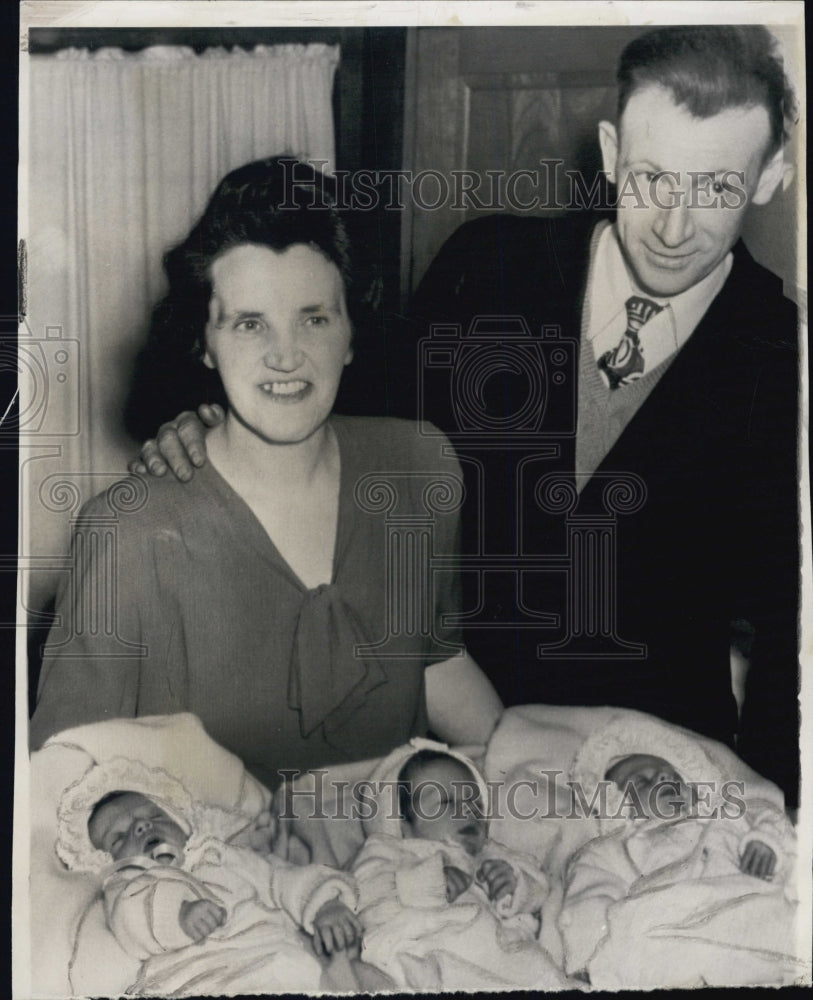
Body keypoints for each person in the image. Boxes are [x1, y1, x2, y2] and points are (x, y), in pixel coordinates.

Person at [127, 27, 800, 805]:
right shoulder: (490, 269)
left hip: (646, 780)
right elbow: (333, 407)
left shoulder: (785, 366)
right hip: (430, 759)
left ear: (768, 176)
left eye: (713, 187)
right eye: (651, 179)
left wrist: (778, 822)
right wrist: (204, 416)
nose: (674, 227)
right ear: (612, 152)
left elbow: (794, 640)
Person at [29, 158, 503, 787]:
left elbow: (435, 662)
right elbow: (66, 787)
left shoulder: (419, 468)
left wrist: (538, 780)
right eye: (250, 324)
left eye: (314, 318)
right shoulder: (127, 535)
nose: (286, 354)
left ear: (351, 331)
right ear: (204, 342)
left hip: (399, 864)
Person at [56, 757, 371, 995]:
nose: (141, 827)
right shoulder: (129, 883)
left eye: (153, 816)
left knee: (337, 975)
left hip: (274, 958)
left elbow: (282, 878)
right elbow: (130, 917)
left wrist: (325, 905)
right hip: (197, 978)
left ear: (182, 823)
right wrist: (178, 916)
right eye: (118, 837)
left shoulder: (222, 856)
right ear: (105, 861)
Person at [558, 716, 802, 989]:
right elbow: (589, 900)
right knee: (631, 940)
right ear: (615, 804)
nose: (663, 778)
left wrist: (765, 843)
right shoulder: (610, 850)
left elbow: (771, 816)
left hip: (747, 911)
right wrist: (588, 958)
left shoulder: (723, 817)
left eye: (670, 775)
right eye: (641, 782)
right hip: (671, 932)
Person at [347, 738, 568, 990]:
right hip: (425, 954)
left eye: (475, 803)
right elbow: (365, 891)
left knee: (540, 968)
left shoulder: (492, 854)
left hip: (500, 958)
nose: (467, 810)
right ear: (401, 824)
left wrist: (514, 882)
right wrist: (430, 882)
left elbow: (539, 885)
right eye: (447, 803)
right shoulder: (390, 851)